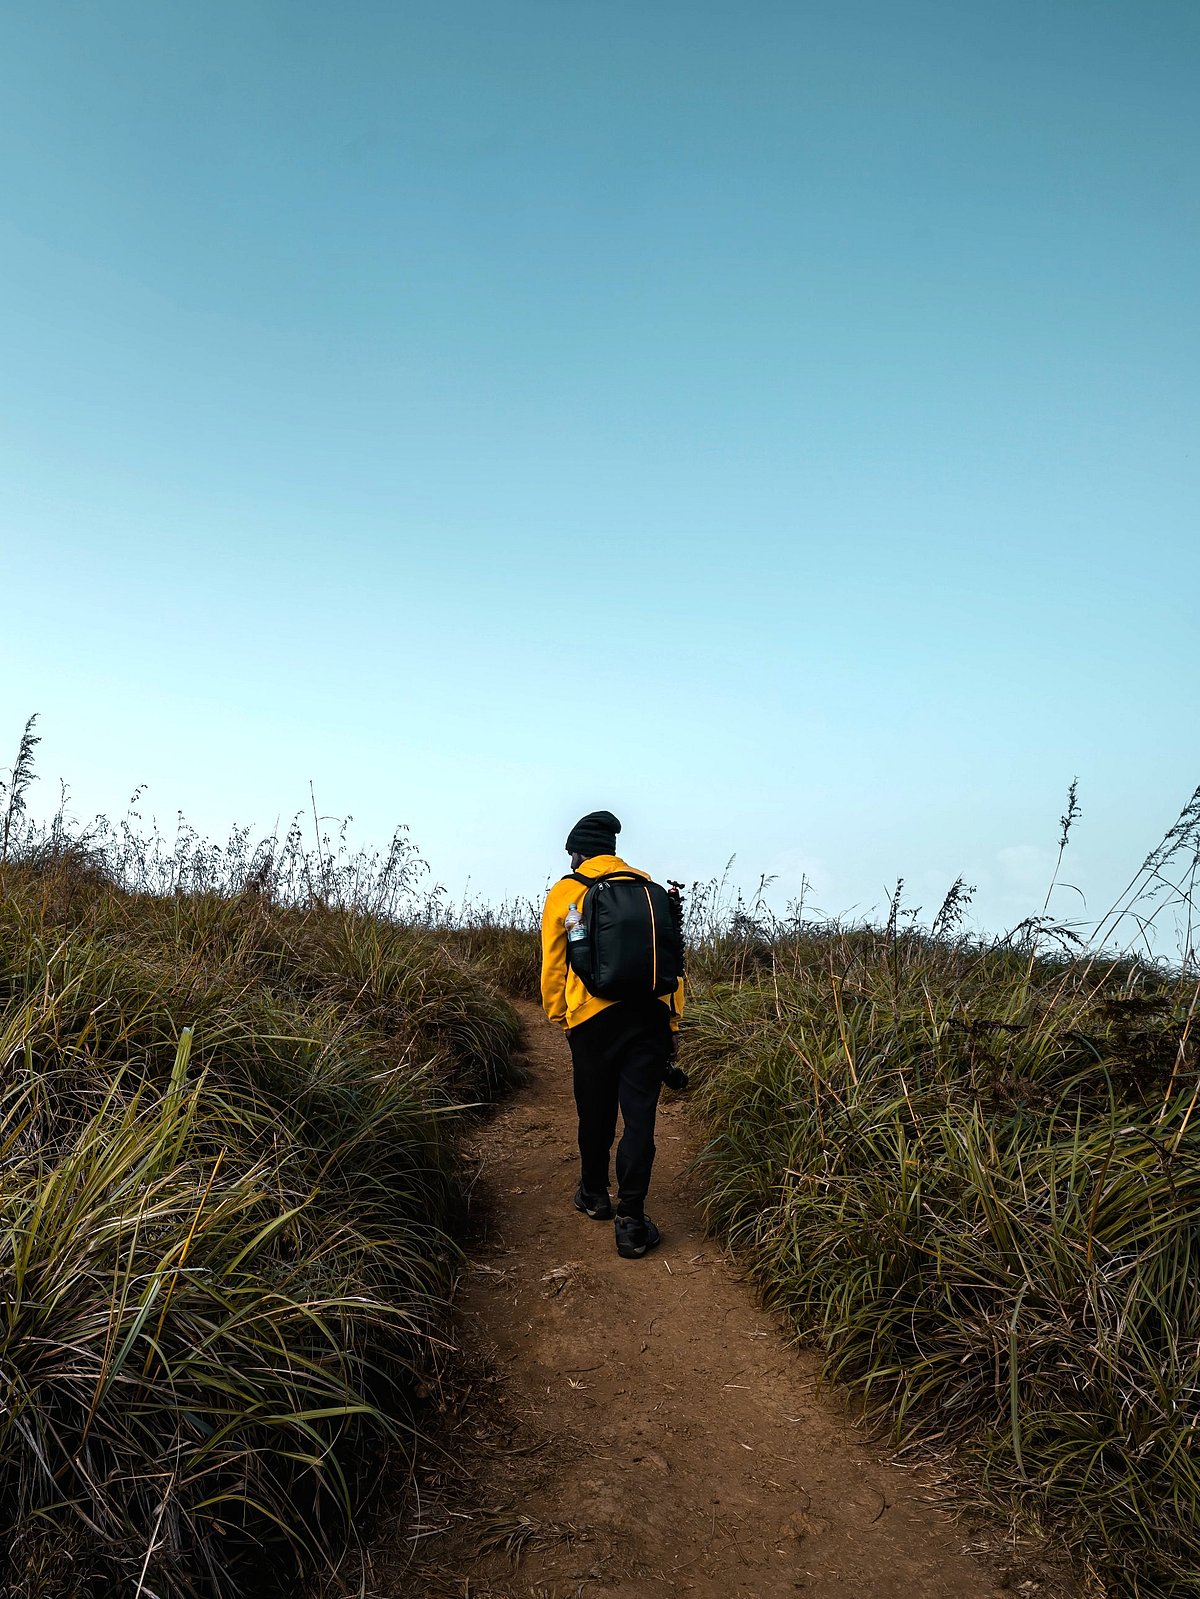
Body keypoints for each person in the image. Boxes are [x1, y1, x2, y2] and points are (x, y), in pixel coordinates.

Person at [540, 809, 684, 1259]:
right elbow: (673, 964)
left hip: (593, 1020)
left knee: (595, 1110)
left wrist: (560, 1015)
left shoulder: (568, 892)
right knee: (640, 1117)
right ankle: (632, 1221)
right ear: (612, 850)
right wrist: (671, 1021)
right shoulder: (651, 890)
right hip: (650, 1017)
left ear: (577, 853)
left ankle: (594, 1194)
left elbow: (554, 961)